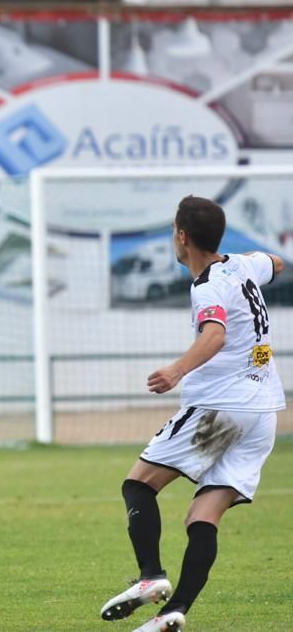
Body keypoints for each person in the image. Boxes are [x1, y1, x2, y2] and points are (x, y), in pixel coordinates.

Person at [99, 196, 286, 632]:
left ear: (182, 237)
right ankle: (173, 612)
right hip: (262, 412)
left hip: (221, 411)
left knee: (138, 484)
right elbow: (275, 263)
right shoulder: (242, 265)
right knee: (203, 515)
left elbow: (215, 334)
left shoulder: (208, 287)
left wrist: (176, 370)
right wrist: (264, 262)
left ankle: (150, 577)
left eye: (172, 230)